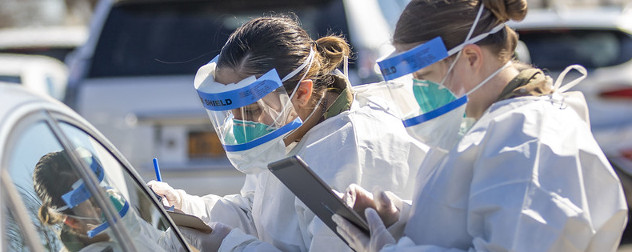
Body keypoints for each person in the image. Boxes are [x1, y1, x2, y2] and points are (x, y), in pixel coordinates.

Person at [331, 0, 628, 251]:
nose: (419, 89)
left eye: (425, 74)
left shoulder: (530, 140)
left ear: (471, 57)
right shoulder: (486, 124)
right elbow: (464, 220)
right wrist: (399, 219)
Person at [147, 15, 427, 251]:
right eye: (231, 112)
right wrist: (183, 208)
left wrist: (228, 245)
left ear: (302, 92)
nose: (240, 124)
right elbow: (256, 214)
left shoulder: (352, 146)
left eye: (252, 110)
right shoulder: (289, 131)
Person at [33, 150, 183, 251]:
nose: (103, 199)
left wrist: (179, 208)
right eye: (90, 198)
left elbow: (162, 244)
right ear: (72, 222)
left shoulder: (123, 223)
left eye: (99, 187)